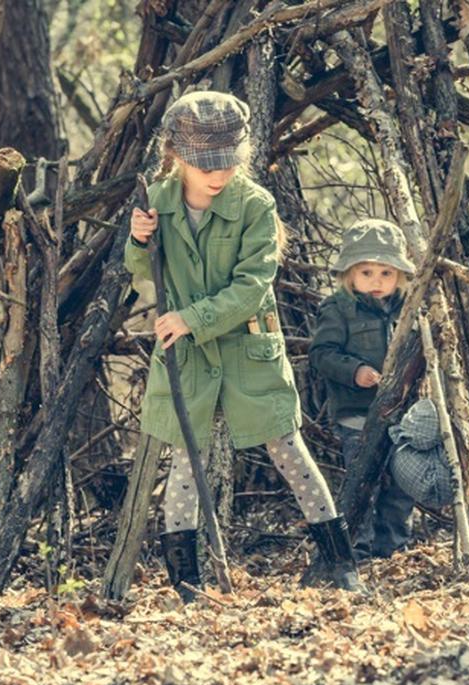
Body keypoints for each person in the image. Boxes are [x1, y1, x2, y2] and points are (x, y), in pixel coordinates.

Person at [125, 90, 363, 600]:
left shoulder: (256, 205)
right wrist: (140, 239)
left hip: (248, 353)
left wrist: (193, 317)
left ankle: (341, 565)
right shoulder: (159, 200)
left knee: (289, 452)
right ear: (177, 155)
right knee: (187, 461)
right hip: (187, 359)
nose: (217, 173)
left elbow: (253, 286)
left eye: (226, 162)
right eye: (203, 162)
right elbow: (146, 272)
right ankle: (186, 584)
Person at [308, 219, 423, 558]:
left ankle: (392, 546)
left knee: (401, 481)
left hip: (402, 413)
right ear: (350, 274)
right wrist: (355, 371)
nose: (377, 282)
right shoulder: (338, 309)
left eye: (386, 274)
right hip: (356, 413)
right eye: (367, 273)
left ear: (399, 276)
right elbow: (321, 354)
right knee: (361, 480)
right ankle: (358, 545)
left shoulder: (409, 309)